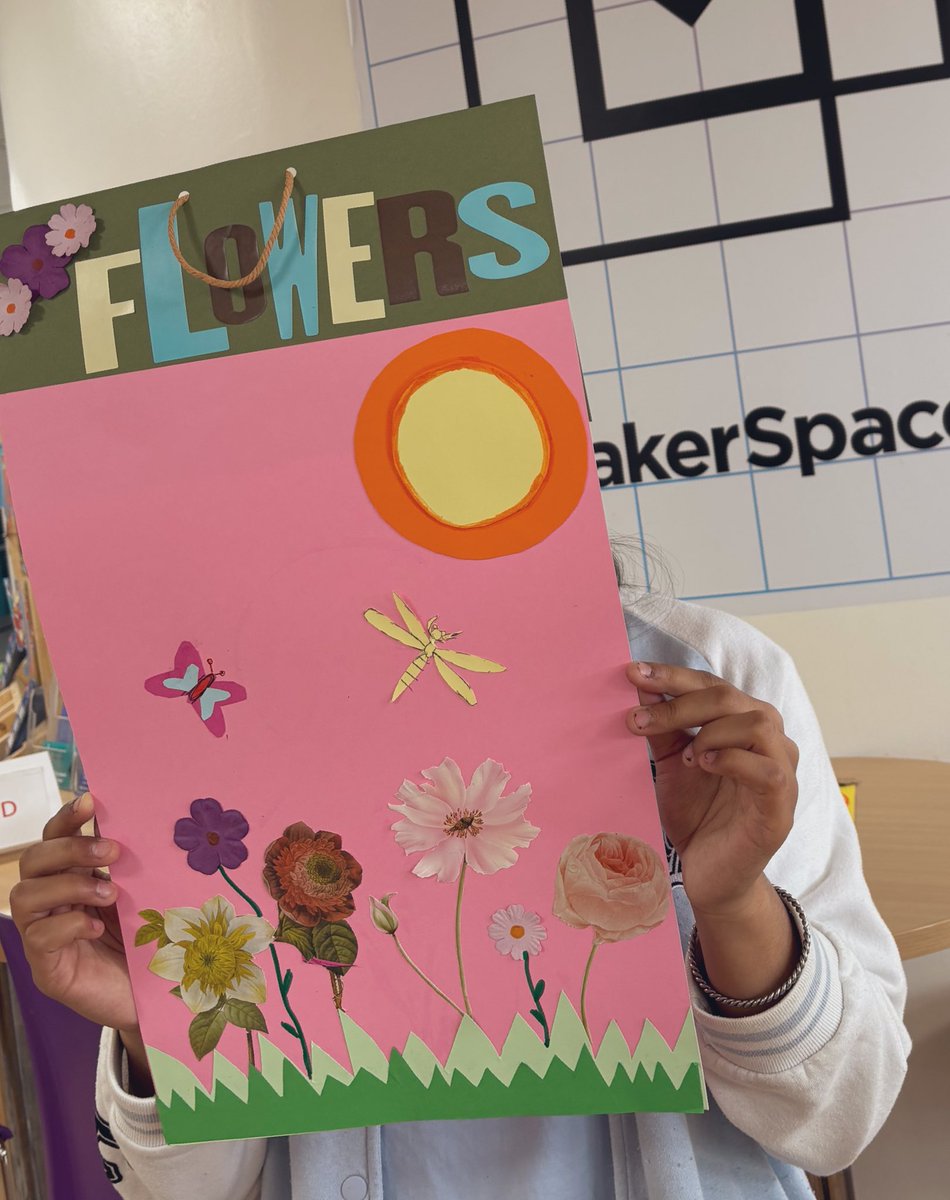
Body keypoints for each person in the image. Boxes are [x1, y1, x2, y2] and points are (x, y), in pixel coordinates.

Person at [11, 593, 910, 1200]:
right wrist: (158, 1027)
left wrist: (735, 900)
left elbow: (840, 1118)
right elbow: (192, 1188)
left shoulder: (702, 680)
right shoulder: (212, 715)